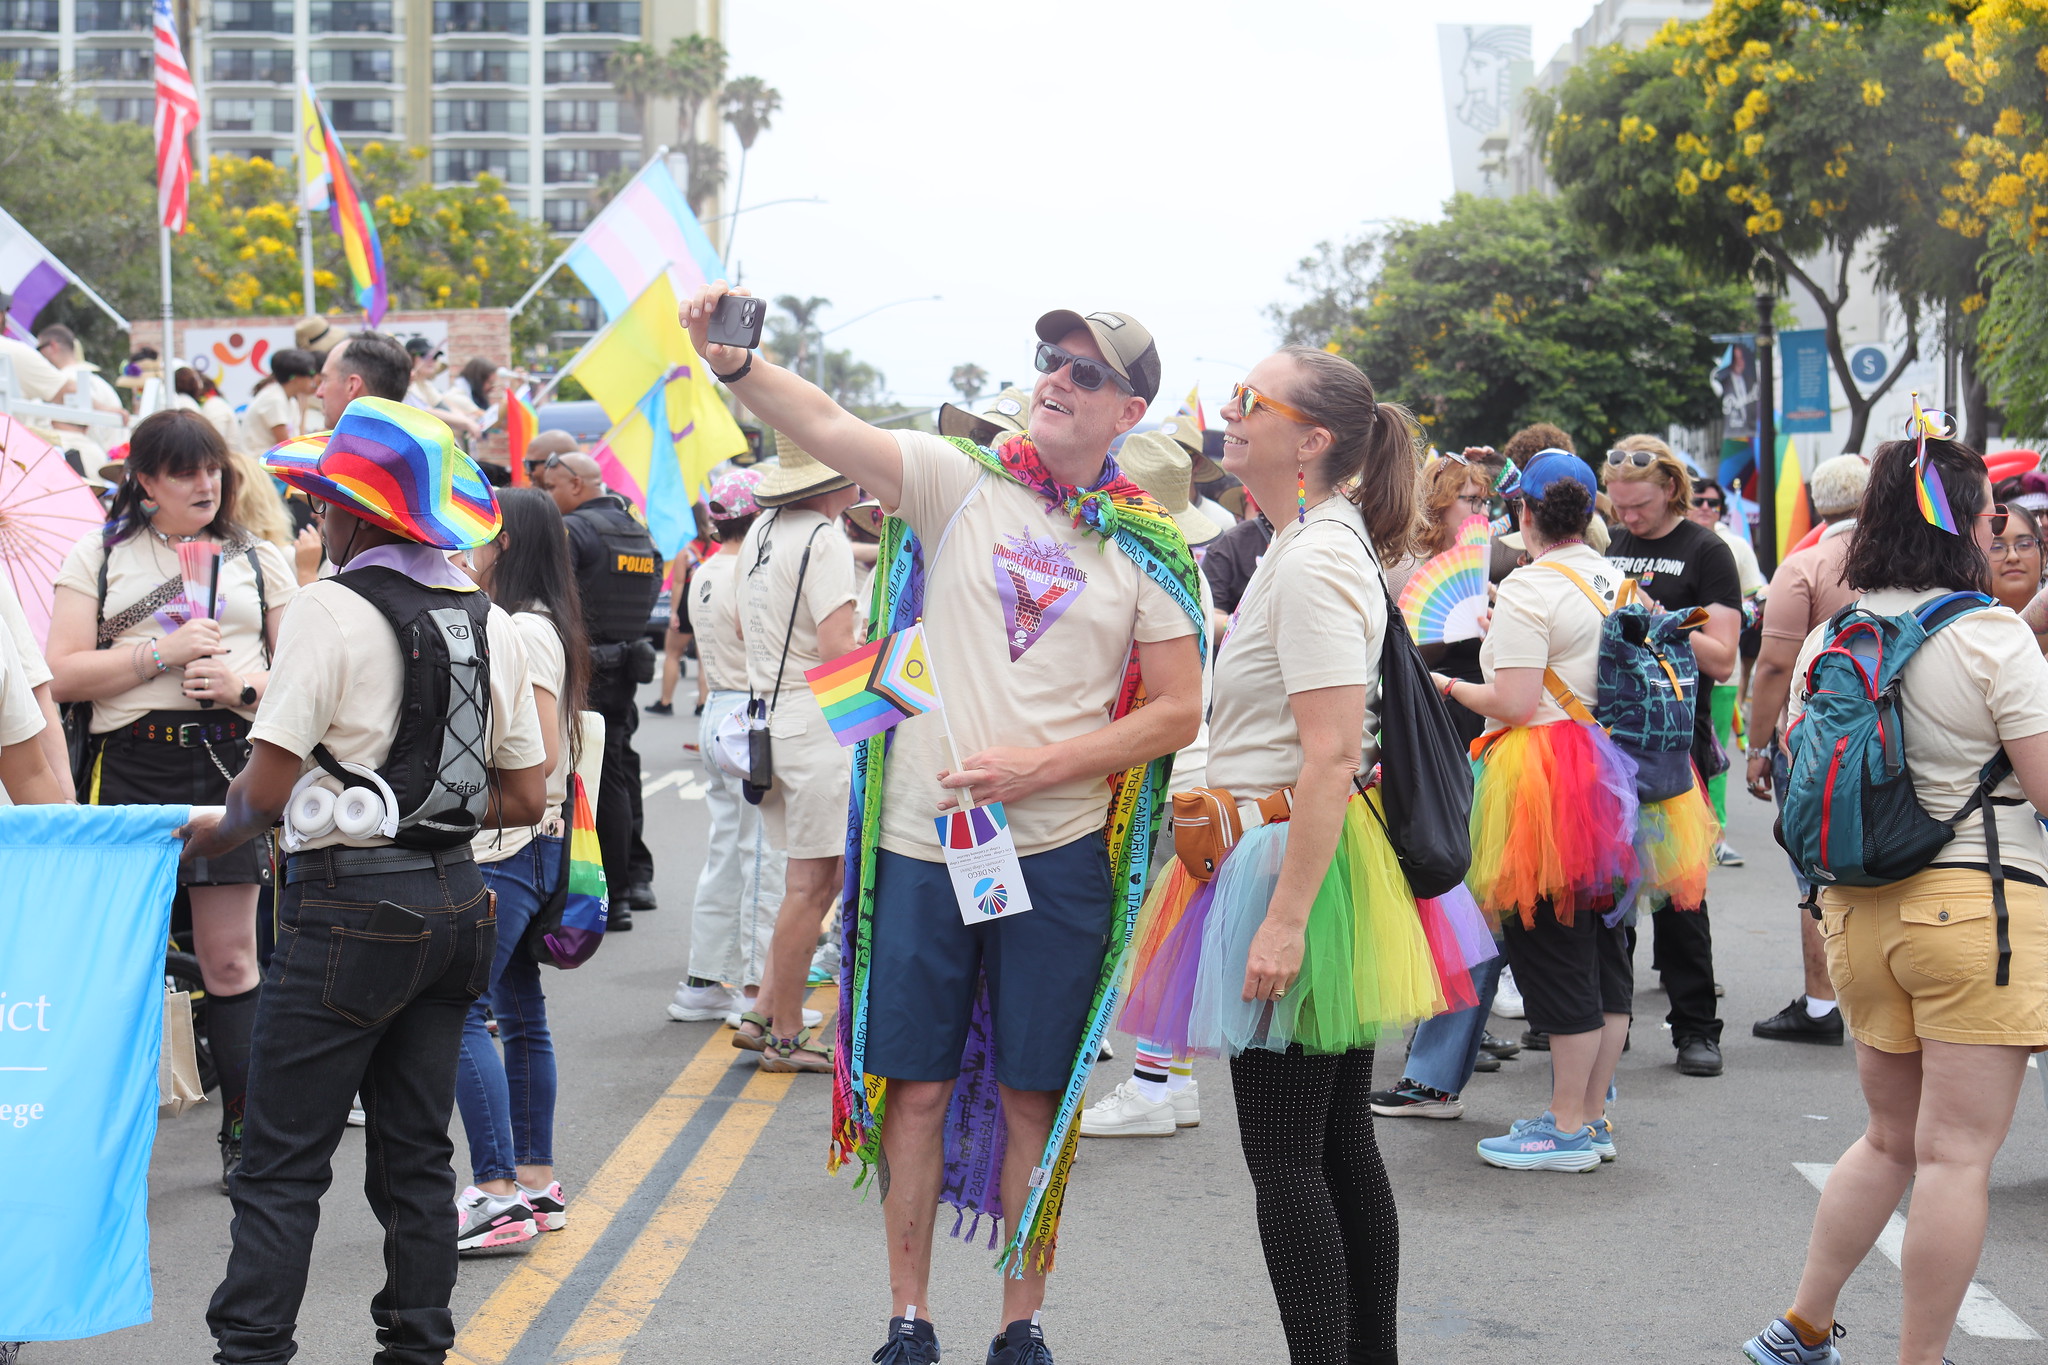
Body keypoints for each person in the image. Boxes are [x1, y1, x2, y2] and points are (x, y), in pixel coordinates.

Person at [685, 284, 1204, 1365]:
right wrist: (736, 365)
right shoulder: (954, 482)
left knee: (1032, 1098)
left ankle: (1020, 1328)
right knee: (910, 1090)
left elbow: (1176, 710)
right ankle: (907, 1321)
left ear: (1128, 413)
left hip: (1057, 858)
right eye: (1049, 359)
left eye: (1087, 372)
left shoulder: (1148, 549)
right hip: (920, 852)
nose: (1057, 379)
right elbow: (824, 425)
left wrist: (1043, 766)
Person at [180, 396, 545, 1365]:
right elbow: (527, 790)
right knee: (418, 1156)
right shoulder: (489, 621)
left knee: (281, 1162)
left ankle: (251, 1351)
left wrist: (203, 834)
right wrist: (424, 805)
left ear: (356, 516)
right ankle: (416, 1348)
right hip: (458, 905)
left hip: (345, 913)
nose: (313, 519)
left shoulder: (329, 610)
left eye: (322, 503)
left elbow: (262, 789)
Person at [1118, 350, 1467, 1364]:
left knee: (1288, 1157)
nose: (1227, 415)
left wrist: (1280, 920)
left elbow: (1329, 755)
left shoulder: (1313, 556)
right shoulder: (1306, 541)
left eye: (1247, 403)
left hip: (1289, 865)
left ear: (1309, 439)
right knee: (1334, 1142)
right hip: (1299, 857)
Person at [1740, 434, 2048, 1365]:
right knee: (1957, 1155)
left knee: (1885, 1139)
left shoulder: (1839, 631)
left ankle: (1802, 1325)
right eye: (1994, 521)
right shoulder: (1990, 634)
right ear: (1968, 526)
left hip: (1858, 911)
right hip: (1974, 906)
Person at [48, 408, 296, 1191]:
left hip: (228, 766)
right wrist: (159, 652)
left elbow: (303, 676)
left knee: (230, 959)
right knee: (121, 965)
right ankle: (105, 1144)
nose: (204, 483)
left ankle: (244, 1134)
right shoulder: (97, 554)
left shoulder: (261, 558)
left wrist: (244, 685)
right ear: (145, 480)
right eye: (184, 470)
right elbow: (59, 673)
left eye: (214, 468)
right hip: (129, 771)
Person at [1434, 449, 1640, 1170]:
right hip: (1612, 775)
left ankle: (1564, 1125)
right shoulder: (1620, 579)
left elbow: (1515, 704)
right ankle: (1590, 1117)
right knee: (1604, 951)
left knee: (1552, 950)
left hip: (1544, 781)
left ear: (1523, 513)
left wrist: (1450, 686)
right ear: (1588, 512)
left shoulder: (1527, 585)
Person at [452, 486, 588, 1253]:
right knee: (519, 1007)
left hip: (508, 842)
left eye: (477, 533)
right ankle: (533, 1180)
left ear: (503, 543)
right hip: (537, 840)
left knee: (460, 1009)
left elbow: (531, 747)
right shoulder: (546, 621)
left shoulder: (519, 628)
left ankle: (499, 1190)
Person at [1078, 428, 1220, 1139]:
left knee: (1150, 938)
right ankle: (1173, 1079)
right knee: (1174, 934)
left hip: (1160, 782)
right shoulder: (1185, 566)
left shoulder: (1142, 567)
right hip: (1193, 776)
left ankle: (1152, 1084)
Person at [1601, 433, 1740, 1077]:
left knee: (1682, 897)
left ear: (1672, 491)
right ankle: (1609, 1025)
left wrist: (1660, 614)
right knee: (1612, 897)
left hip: (1676, 746)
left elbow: (1721, 656)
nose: (1627, 519)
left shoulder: (1705, 550)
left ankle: (1695, 1029)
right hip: (1613, 744)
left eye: (1639, 507)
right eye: (1619, 507)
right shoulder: (1615, 545)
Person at [723, 439, 860, 1070]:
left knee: (811, 881)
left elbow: (749, 628)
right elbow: (838, 648)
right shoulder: (824, 539)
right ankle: (783, 1032)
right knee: (812, 886)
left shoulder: (762, 531)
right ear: (834, 482)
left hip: (769, 720)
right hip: (818, 721)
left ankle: (762, 1011)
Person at [1745, 454, 1870, 1048]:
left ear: (1820, 503)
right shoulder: (1899, 559)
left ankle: (1823, 1004)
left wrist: (1758, 745)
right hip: (1896, 737)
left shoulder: (1806, 567)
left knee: (1815, 871)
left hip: (1816, 742)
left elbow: (1773, 666)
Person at [667, 469, 788, 1025]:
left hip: (720, 710)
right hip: (750, 715)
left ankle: (702, 981)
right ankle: (756, 992)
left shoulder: (705, 569)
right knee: (764, 855)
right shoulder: (751, 569)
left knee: (727, 854)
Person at [544, 450, 662, 924]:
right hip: (626, 664)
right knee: (619, 766)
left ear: (576, 484)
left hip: (590, 668)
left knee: (597, 778)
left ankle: (611, 895)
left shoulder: (577, 530)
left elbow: (559, 596)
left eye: (551, 487)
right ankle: (634, 879)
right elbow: (652, 587)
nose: (548, 497)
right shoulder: (636, 528)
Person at [1686, 476, 1764, 865]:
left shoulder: (1734, 547)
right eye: (1697, 499)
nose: (1705, 507)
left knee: (1713, 756)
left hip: (1719, 673)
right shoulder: (1673, 542)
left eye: (1713, 503)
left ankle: (1714, 834)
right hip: (1670, 675)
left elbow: (1758, 594)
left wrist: (1739, 616)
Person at [314, 329, 411, 426]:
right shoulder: (416, 438)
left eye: (325, 380)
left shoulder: (311, 441)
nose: (319, 393)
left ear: (352, 386)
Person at [240, 348, 321, 453]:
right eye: (310, 374)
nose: (312, 380)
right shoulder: (274, 400)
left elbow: (297, 438)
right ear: (294, 377)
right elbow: (286, 447)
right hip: (260, 464)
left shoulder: (290, 399)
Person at [36, 324, 123, 411]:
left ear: (53, 346)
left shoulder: (60, 385)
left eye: (39, 349)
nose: (38, 354)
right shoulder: (103, 385)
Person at [1987, 499, 2043, 613]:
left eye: (2024, 545)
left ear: (2044, 555)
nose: (2012, 557)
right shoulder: (1963, 626)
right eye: (1996, 547)